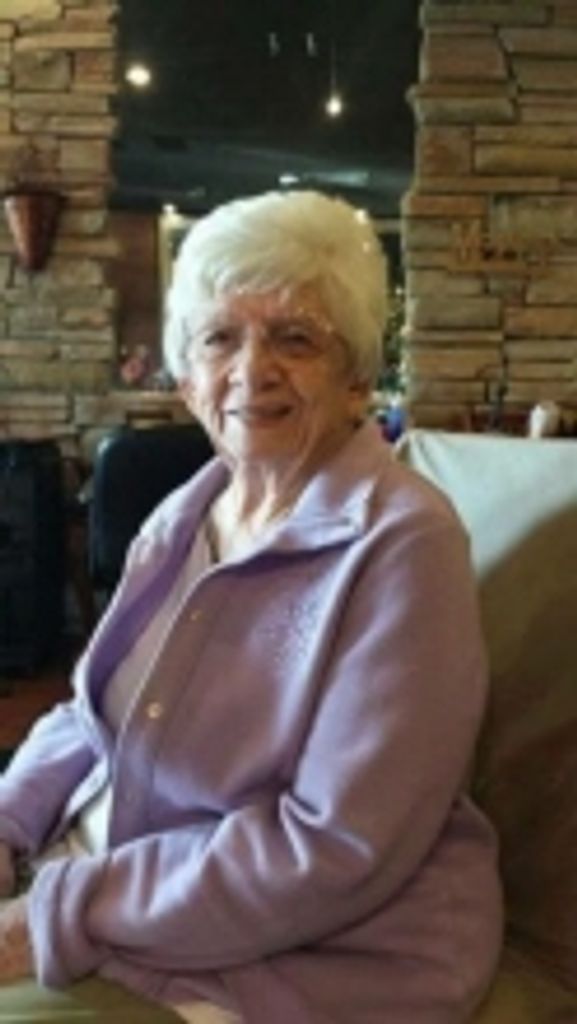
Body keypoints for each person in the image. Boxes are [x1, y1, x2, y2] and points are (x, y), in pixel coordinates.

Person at [0, 190, 502, 1023]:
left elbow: (334, 848)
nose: (251, 369)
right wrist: (9, 819)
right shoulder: (190, 510)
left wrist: (53, 917)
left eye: (295, 337)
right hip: (117, 889)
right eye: (220, 337)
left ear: (356, 377)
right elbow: (93, 716)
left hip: (304, 955)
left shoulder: (403, 543)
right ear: (187, 376)